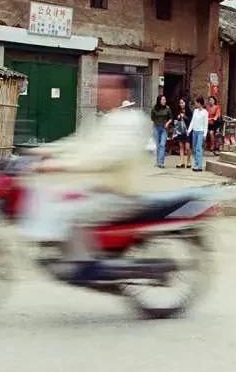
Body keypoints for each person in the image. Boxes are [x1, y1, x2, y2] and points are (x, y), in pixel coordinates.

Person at [28, 97, 151, 270]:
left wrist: (61, 165)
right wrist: (42, 151)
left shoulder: (127, 125)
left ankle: (81, 267)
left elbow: (103, 158)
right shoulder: (107, 121)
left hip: (118, 195)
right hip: (100, 189)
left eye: (107, 89)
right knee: (57, 196)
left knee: (68, 212)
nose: (101, 94)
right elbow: (80, 144)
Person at [150, 94, 172, 168]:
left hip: (164, 129)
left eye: (165, 100)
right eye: (163, 100)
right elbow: (152, 118)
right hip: (156, 128)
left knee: (162, 145)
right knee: (157, 145)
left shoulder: (167, 108)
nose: (164, 101)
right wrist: (155, 124)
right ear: (159, 100)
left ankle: (161, 162)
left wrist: (167, 123)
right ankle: (157, 161)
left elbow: (171, 118)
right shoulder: (154, 108)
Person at [189, 96, 209, 172]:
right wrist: (189, 130)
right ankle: (196, 163)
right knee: (194, 148)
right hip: (194, 131)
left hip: (201, 132)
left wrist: (205, 134)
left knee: (198, 148)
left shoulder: (205, 112)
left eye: (196, 102)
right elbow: (192, 121)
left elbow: (205, 124)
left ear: (199, 103)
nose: (195, 104)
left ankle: (199, 166)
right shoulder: (195, 111)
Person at [171, 98, 192, 169]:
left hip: (187, 131)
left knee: (187, 147)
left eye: (182, 103)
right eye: (180, 103)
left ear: (185, 103)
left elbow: (190, 121)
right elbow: (175, 121)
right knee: (181, 146)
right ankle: (181, 162)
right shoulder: (178, 111)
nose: (181, 104)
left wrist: (184, 116)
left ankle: (188, 160)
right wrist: (178, 118)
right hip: (180, 131)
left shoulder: (189, 111)